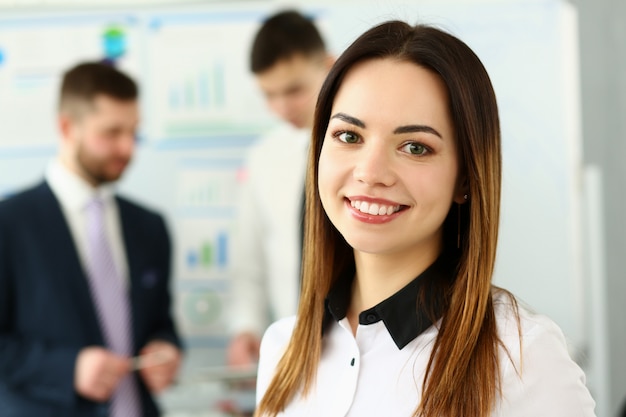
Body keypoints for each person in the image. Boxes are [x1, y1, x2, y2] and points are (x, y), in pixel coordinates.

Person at [254, 21, 596, 417]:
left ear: (465, 179)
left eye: (415, 147)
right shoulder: (283, 348)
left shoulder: (521, 357)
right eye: (349, 136)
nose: (371, 172)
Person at [0, 62, 182, 416]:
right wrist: (68, 368)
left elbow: (161, 322)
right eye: (111, 133)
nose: (128, 148)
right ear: (67, 127)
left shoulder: (150, 226)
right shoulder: (8, 223)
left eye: (133, 132)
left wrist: (166, 349)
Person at [227, 10, 334, 367]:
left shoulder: (366, 153)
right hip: (293, 352)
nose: (281, 107)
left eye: (294, 90)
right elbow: (250, 260)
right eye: (268, 95)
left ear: (330, 67)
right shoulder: (262, 159)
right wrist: (247, 326)